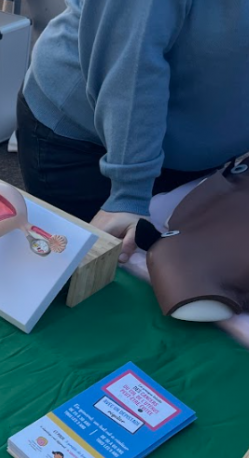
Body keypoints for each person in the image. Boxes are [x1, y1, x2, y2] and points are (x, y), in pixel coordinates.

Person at [17, 1, 249, 262]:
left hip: (197, 160)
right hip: (93, 149)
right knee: (89, 279)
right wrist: (129, 192)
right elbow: (131, 67)